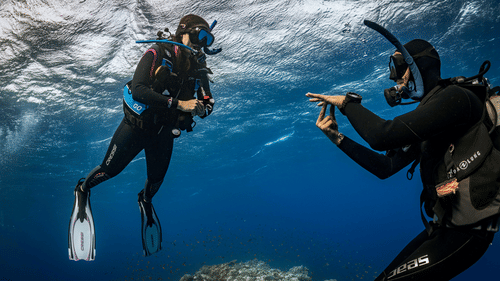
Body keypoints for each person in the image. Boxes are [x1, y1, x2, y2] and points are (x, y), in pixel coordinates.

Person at [306, 22, 499, 280]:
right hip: (443, 225)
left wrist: (347, 103)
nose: (394, 78)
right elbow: (385, 168)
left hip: (468, 232)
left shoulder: (456, 98)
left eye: (397, 68)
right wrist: (338, 138)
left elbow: (382, 135)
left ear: (415, 67)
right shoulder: (430, 115)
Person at [68, 14, 219, 261]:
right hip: (137, 126)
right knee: (110, 170)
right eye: (198, 36)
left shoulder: (198, 68)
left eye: (207, 39)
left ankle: (145, 200)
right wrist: (180, 103)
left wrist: (204, 107)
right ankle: (82, 189)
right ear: (183, 32)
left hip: (164, 133)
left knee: (156, 181)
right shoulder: (157, 52)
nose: (200, 44)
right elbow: (138, 90)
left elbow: (207, 100)